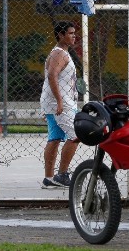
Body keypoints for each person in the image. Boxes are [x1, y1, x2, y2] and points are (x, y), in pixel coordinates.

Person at [40, 21, 79, 188]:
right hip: (59, 103)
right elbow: (51, 76)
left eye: (74, 33)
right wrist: (60, 101)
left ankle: (49, 179)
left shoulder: (62, 53)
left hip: (55, 102)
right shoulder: (59, 54)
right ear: (61, 35)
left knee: (55, 138)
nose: (74, 36)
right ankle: (62, 175)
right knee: (76, 135)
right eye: (70, 33)